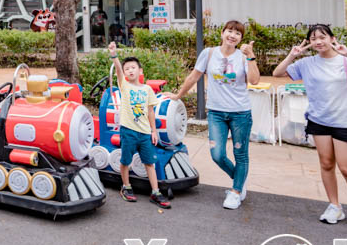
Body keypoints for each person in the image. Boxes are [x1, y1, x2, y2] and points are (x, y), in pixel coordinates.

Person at [273, 24, 347, 231]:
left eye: (322, 37)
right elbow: (277, 73)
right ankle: (334, 206)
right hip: (319, 121)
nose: (318, 41)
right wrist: (292, 55)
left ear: (332, 38)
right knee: (326, 164)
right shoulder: (307, 63)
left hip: (344, 122)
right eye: (313, 38)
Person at [166, 20, 259, 209]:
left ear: (241, 38)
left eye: (237, 34)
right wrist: (177, 95)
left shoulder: (242, 57)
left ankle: (235, 192)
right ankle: (239, 180)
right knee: (217, 154)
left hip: (240, 113)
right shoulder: (208, 54)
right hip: (216, 112)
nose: (232, 36)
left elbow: (255, 81)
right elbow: (193, 76)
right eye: (230, 31)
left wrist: (250, 57)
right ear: (222, 33)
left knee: (240, 154)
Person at [108, 41, 171, 209]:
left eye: (133, 67)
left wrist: (154, 131)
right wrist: (114, 55)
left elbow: (151, 112)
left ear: (140, 71)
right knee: (125, 161)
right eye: (127, 68)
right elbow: (119, 72)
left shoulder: (147, 90)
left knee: (149, 162)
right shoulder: (125, 86)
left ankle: (155, 191)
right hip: (128, 131)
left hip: (144, 133)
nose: (129, 70)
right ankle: (126, 187)